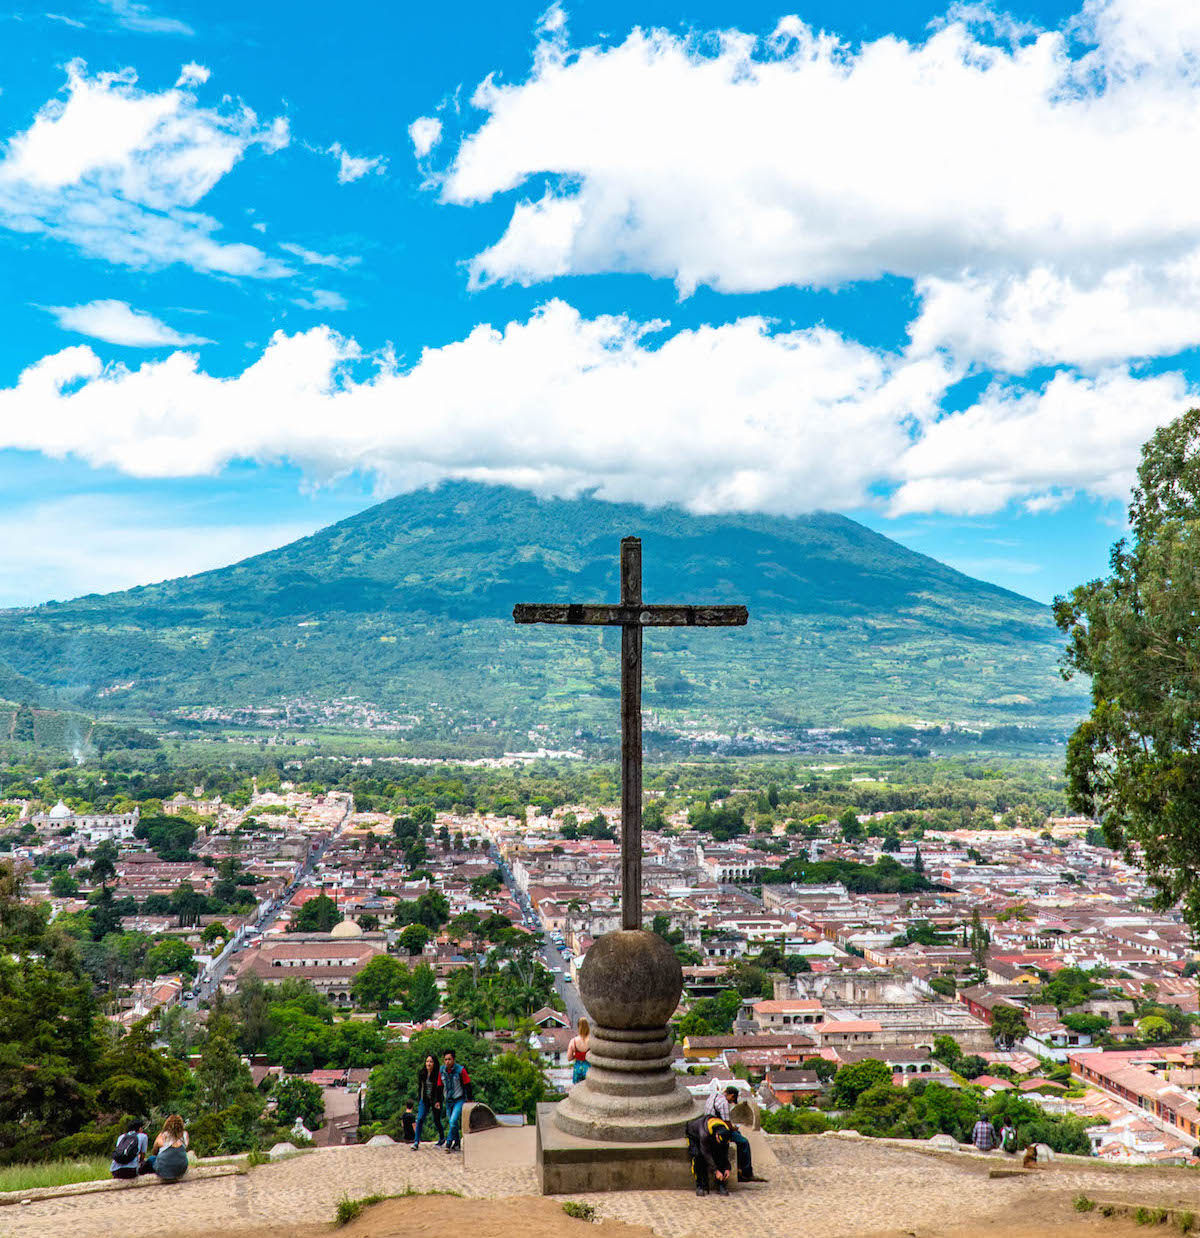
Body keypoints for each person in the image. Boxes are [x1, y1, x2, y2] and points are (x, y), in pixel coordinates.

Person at [704, 1085, 767, 1183]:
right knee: (744, 1142)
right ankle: (746, 1172)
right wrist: (733, 1127)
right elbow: (727, 1123)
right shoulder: (724, 1102)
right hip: (718, 1130)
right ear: (731, 1095)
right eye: (732, 1100)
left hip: (708, 1126)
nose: (731, 1102)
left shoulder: (713, 1096)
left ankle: (740, 1168)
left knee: (738, 1134)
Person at [686, 1113, 733, 1197]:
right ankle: (700, 1185)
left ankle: (721, 1184)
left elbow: (724, 1152)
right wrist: (716, 1171)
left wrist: (727, 1167)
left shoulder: (725, 1132)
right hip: (694, 1135)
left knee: (719, 1153)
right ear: (717, 1135)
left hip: (709, 1136)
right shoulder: (704, 1134)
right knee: (697, 1156)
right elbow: (706, 1153)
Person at [441, 1049, 472, 1153]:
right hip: (448, 1100)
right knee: (452, 1123)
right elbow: (439, 1086)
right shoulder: (442, 1071)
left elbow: (468, 1084)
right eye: (445, 1059)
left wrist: (469, 1099)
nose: (447, 1062)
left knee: (453, 1121)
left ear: (453, 1060)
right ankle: (457, 1142)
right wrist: (438, 1100)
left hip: (459, 1099)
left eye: (449, 1059)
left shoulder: (460, 1070)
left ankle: (448, 1143)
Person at [412, 1053, 445, 1149]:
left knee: (436, 1120)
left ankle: (442, 1137)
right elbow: (420, 1087)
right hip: (424, 1099)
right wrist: (420, 1099)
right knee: (420, 1118)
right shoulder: (422, 1074)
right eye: (427, 1061)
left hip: (435, 1100)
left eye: (431, 1062)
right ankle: (416, 1141)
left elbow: (440, 1089)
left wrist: (438, 1101)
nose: (428, 1064)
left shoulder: (437, 1075)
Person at [150, 1114, 190, 1182]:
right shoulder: (185, 1135)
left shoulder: (163, 1135)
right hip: (181, 1170)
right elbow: (185, 1147)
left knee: (151, 1159)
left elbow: (154, 1151)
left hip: (163, 1170)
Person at [567, 1018, 590, 1085]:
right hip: (589, 1068)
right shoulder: (592, 1041)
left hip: (578, 1069)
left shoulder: (573, 1041)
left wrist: (577, 1055)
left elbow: (569, 1058)